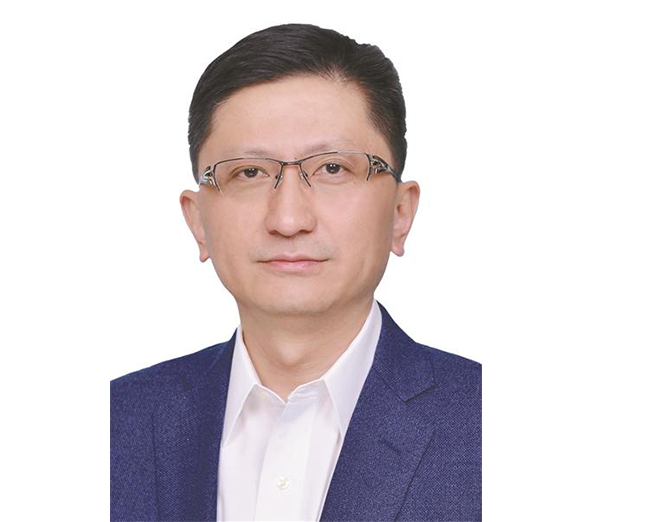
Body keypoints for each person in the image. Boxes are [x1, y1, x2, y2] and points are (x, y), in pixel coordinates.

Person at [111, 23, 481, 522]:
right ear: (198, 223)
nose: (288, 220)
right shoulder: (114, 422)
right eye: (249, 172)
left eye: (333, 168)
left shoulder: (487, 423)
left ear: (400, 213)